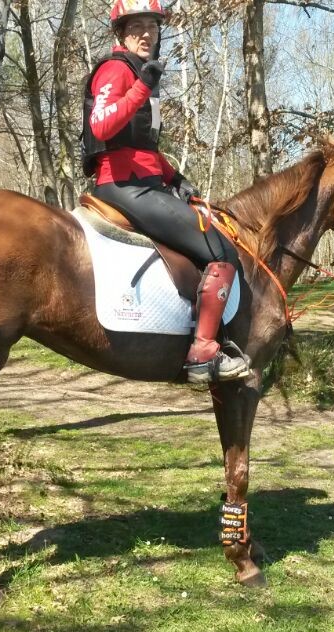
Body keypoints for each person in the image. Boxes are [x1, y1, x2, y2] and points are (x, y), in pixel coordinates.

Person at [81, 0, 249, 384]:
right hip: (122, 187)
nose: (146, 34)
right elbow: (102, 126)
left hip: (145, 181)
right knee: (221, 250)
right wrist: (141, 86)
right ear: (121, 33)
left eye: (153, 27)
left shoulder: (142, 73)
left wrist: (175, 178)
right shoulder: (115, 69)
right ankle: (203, 351)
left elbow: (143, 148)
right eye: (137, 27)